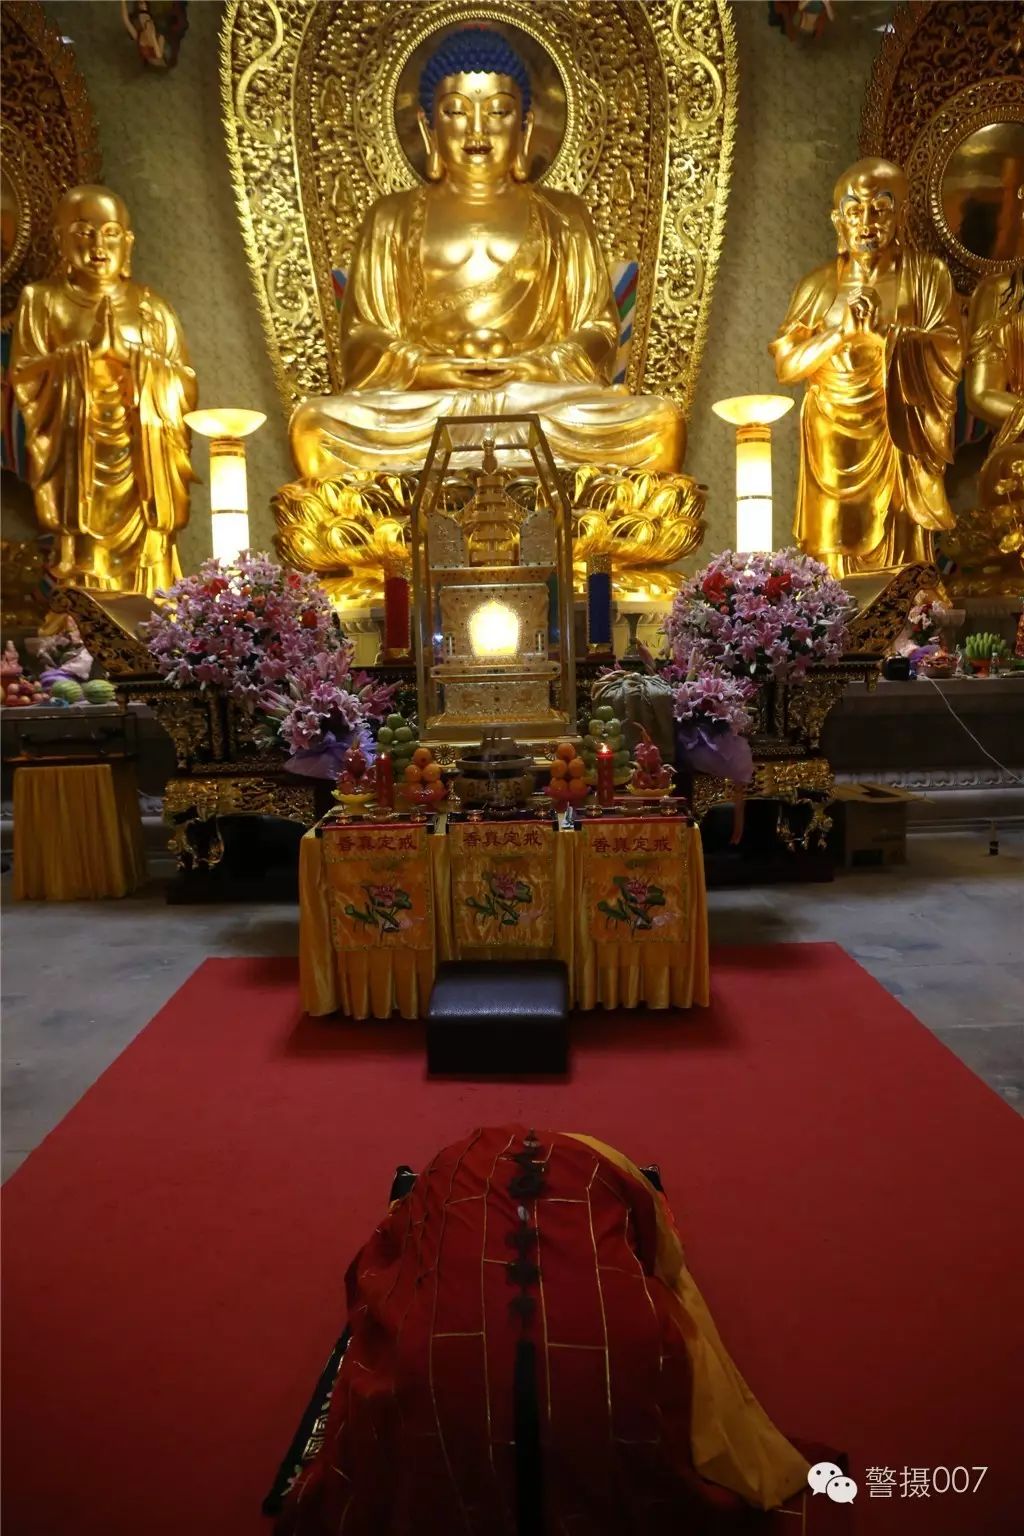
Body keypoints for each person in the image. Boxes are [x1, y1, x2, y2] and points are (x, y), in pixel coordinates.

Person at [275, 1126, 814, 1535]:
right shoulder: (610, 1169)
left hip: (438, 1369)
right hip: (615, 1359)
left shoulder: (449, 1163)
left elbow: (388, 1248)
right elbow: (664, 1258)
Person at [290, 28, 683, 477]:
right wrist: (432, 369)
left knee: (659, 424)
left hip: (535, 401)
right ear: (428, 125)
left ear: (526, 125)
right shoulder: (390, 217)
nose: (477, 130)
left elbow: (597, 331)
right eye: (456, 111)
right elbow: (363, 338)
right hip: (427, 405)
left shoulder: (564, 216)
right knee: (315, 427)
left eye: (498, 111)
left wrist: (530, 366)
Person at [770, 158, 962, 575]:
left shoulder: (927, 277)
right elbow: (786, 366)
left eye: (881, 208)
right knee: (831, 570)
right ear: (837, 219)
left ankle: (909, 615)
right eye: (855, 210)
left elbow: (951, 349)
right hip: (829, 440)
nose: (867, 221)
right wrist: (839, 335)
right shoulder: (818, 285)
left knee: (901, 572)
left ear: (903, 214)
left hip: (896, 434)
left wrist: (886, 337)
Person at [11, 185, 197, 596]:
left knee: (151, 555)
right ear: (60, 239)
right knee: (85, 549)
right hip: (79, 456)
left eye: (111, 233)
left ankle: (153, 606)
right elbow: (23, 378)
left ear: (127, 243)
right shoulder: (42, 301)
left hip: (143, 458)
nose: (98, 245)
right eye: (83, 232)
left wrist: (132, 358)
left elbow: (185, 383)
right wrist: (85, 355)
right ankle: (83, 615)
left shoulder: (153, 306)